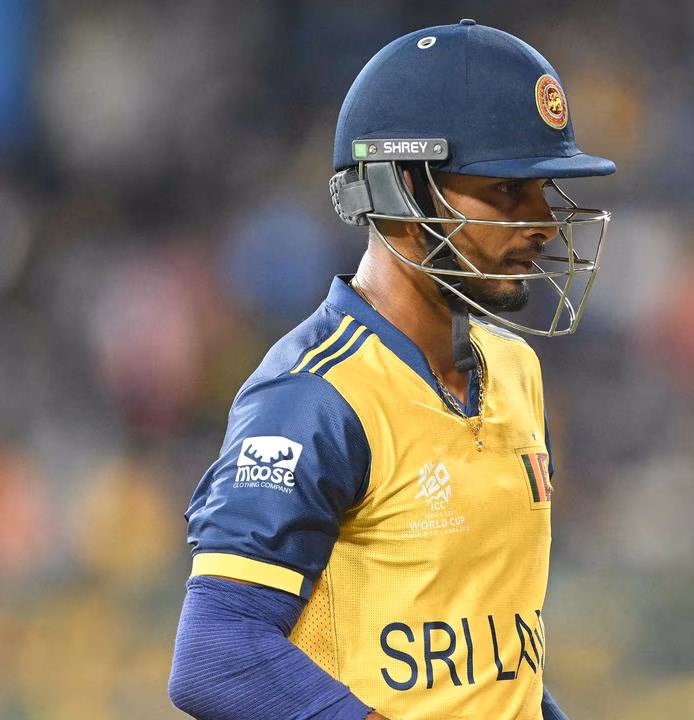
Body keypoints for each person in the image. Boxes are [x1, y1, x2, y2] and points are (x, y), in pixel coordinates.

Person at [168, 20, 614, 720]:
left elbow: (498, 666)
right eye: (507, 189)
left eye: (544, 187)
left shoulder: (516, 370)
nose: (545, 222)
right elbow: (218, 653)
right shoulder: (313, 394)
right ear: (403, 186)